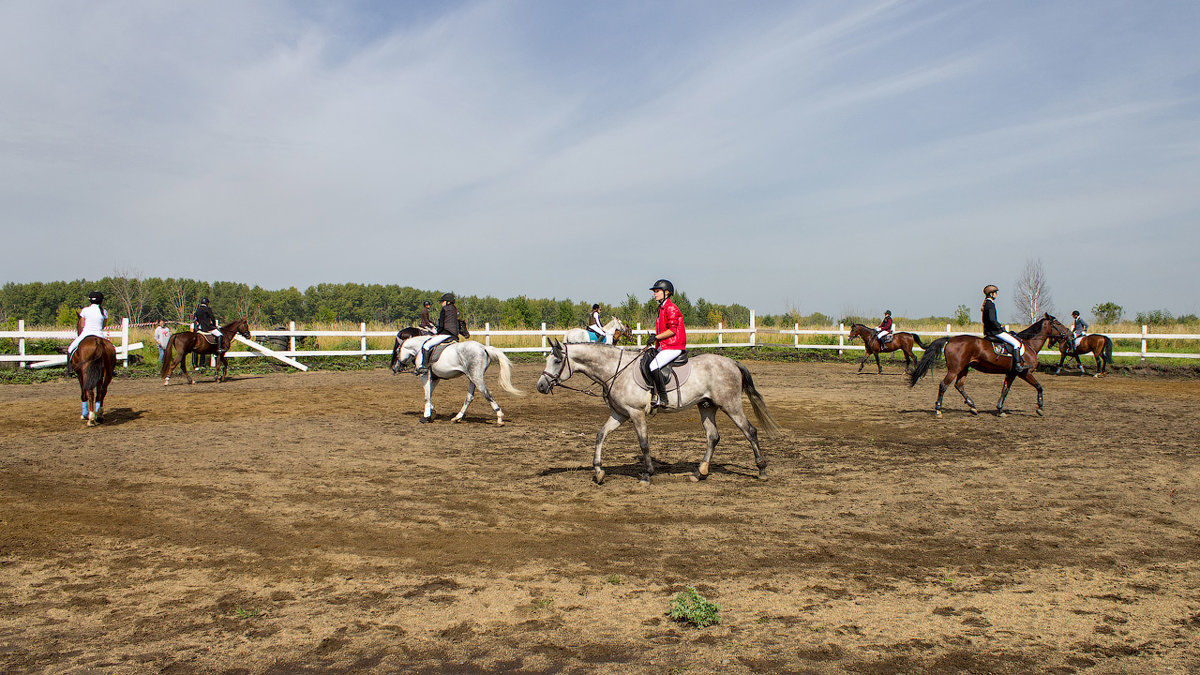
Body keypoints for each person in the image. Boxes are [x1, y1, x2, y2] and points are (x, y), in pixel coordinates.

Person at [647, 279, 687, 408]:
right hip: (665, 346)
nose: (655, 294)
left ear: (667, 292)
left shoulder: (671, 308)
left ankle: (663, 398)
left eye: (657, 291)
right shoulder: (662, 308)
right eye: (654, 291)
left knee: (654, 366)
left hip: (674, 346)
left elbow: (672, 330)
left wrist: (656, 337)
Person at [415, 293, 468, 375]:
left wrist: (438, 331)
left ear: (447, 302)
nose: (441, 303)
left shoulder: (444, 309)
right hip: (454, 335)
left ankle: (424, 367)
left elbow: (442, 325)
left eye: (442, 301)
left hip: (445, 334)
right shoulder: (456, 310)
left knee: (426, 345)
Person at [981, 284, 1027, 374]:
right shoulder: (990, 305)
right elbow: (992, 320)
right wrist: (1000, 327)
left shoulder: (986, 304)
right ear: (991, 294)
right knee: (1016, 343)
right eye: (995, 293)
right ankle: (1017, 365)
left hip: (989, 331)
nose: (996, 295)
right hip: (994, 332)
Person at [65, 291, 108, 375]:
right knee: (111, 349)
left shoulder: (85, 310)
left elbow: (81, 324)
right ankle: (111, 369)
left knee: (70, 349)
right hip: (99, 334)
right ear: (101, 301)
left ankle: (69, 370)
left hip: (86, 333)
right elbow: (103, 325)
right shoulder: (104, 312)